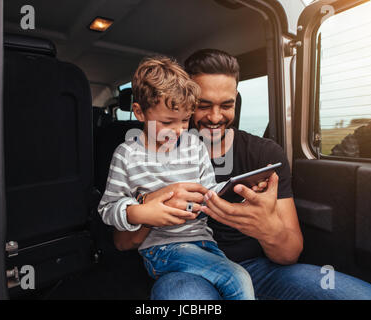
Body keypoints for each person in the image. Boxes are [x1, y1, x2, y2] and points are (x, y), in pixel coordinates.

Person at [113, 49, 371, 300]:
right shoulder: (145, 156)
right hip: (184, 268)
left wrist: (266, 228)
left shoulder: (264, 153)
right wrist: (150, 205)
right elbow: (123, 243)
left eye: (227, 104)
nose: (216, 116)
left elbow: (290, 253)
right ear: (183, 101)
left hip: (261, 270)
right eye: (204, 105)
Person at [98, 56, 255, 300]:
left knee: (226, 288)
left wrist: (239, 188)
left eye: (184, 120)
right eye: (167, 122)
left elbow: (208, 191)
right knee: (237, 278)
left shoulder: (195, 145)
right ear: (139, 112)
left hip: (205, 243)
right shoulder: (127, 155)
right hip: (161, 249)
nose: (179, 130)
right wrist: (140, 212)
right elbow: (108, 208)